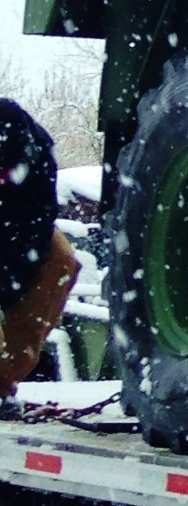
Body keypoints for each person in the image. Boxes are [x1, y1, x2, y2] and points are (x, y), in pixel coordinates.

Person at [0, 101, 78, 403]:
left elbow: (38, 225)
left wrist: (9, 289)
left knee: (61, 261)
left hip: (16, 229)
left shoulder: (37, 156)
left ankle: (3, 380)